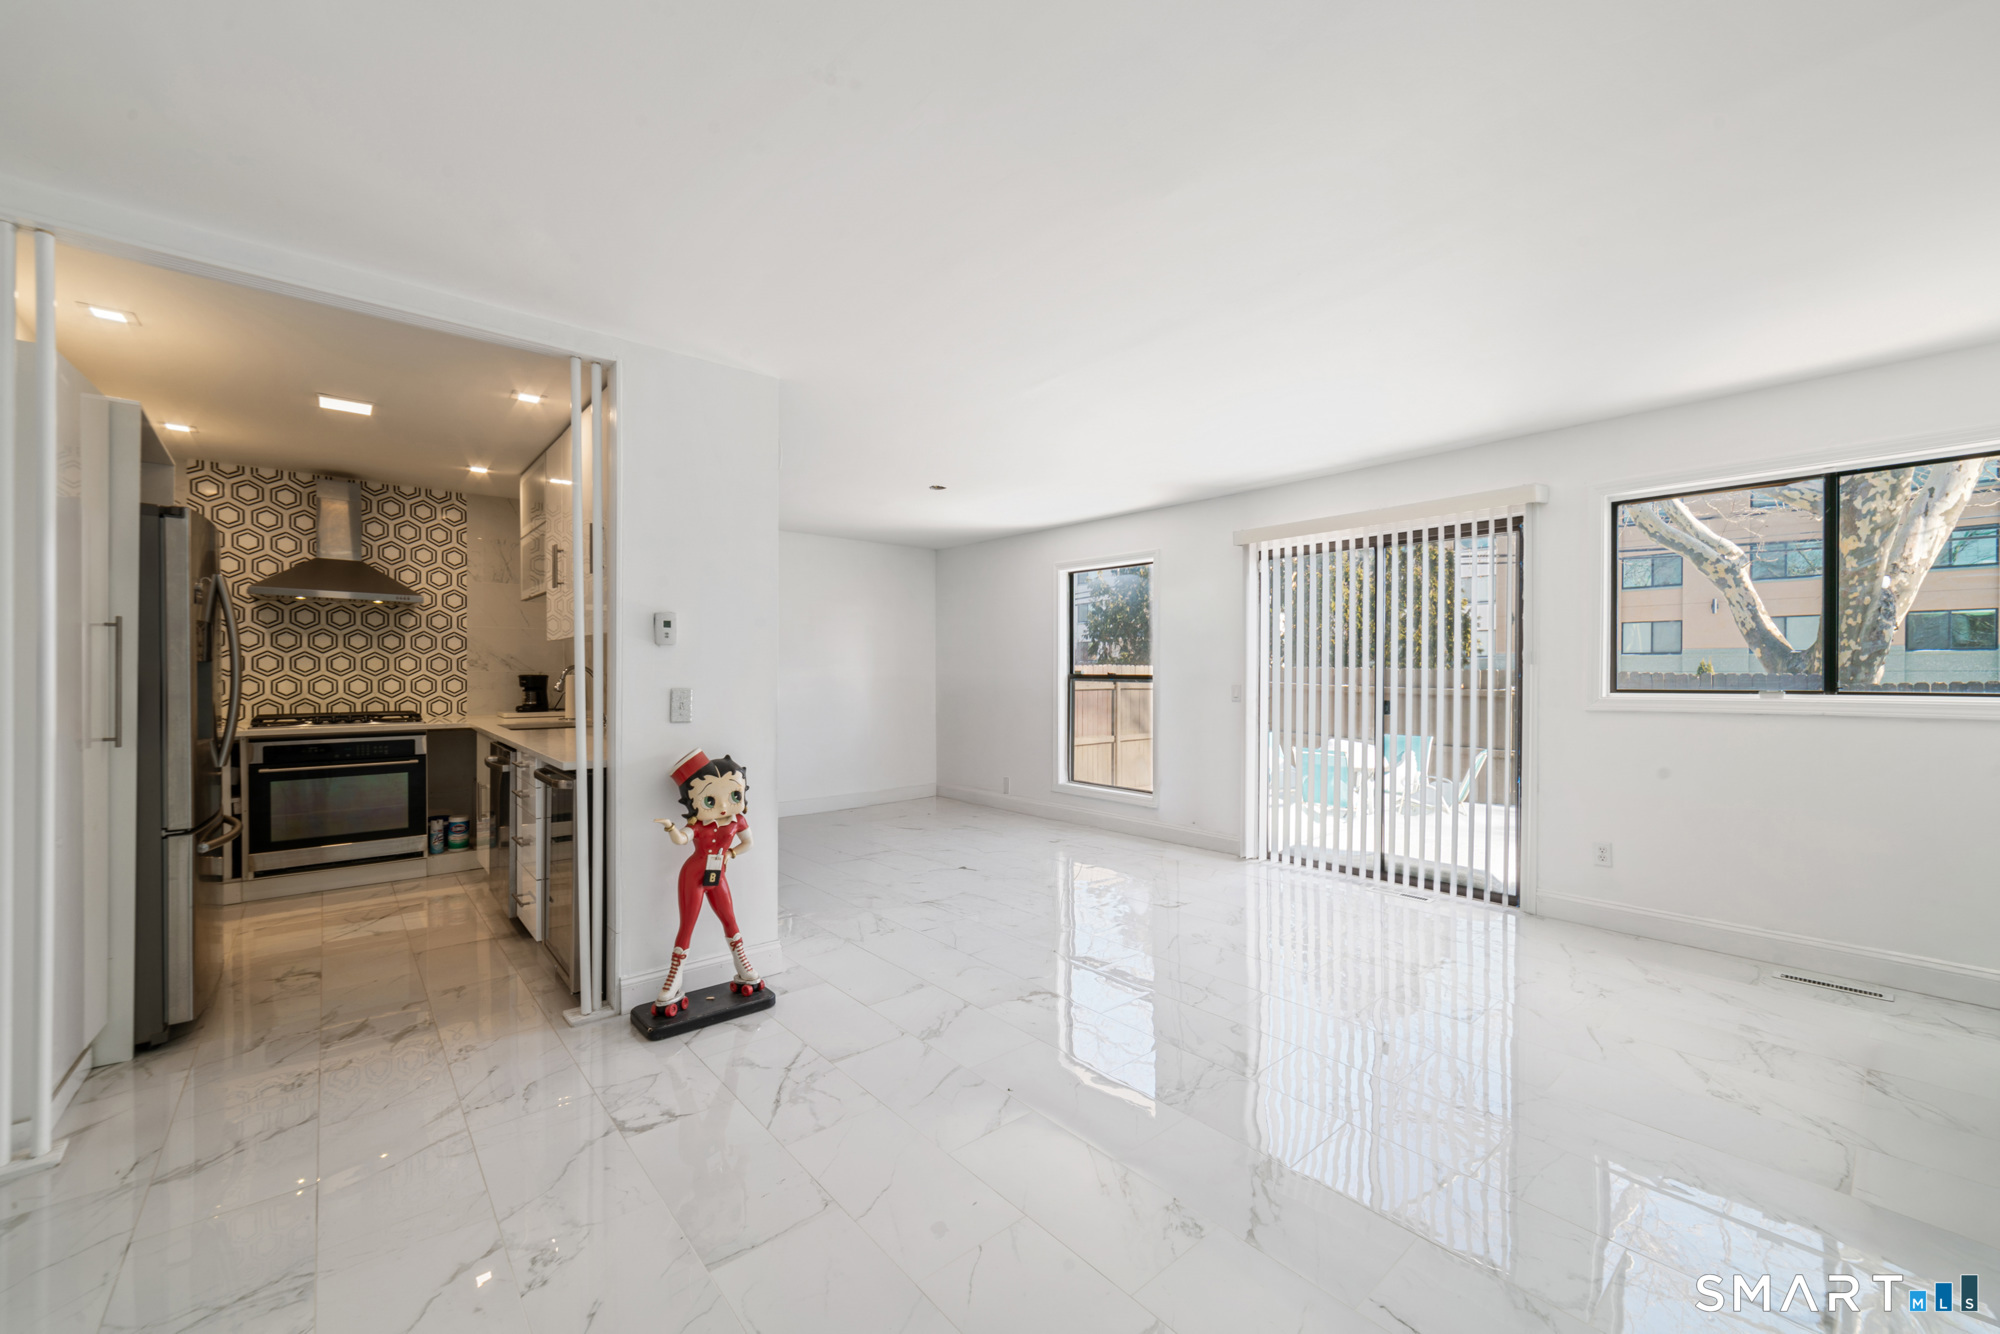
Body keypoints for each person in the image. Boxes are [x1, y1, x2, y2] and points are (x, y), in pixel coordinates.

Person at [651, 748, 763, 1017]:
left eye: (734, 795)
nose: (725, 806)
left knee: (730, 919)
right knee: (687, 926)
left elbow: (749, 843)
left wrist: (731, 853)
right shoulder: (699, 826)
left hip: (718, 876)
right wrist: (670, 827)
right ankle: (674, 978)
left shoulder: (737, 821)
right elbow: (681, 839)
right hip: (693, 877)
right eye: (711, 800)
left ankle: (743, 965)